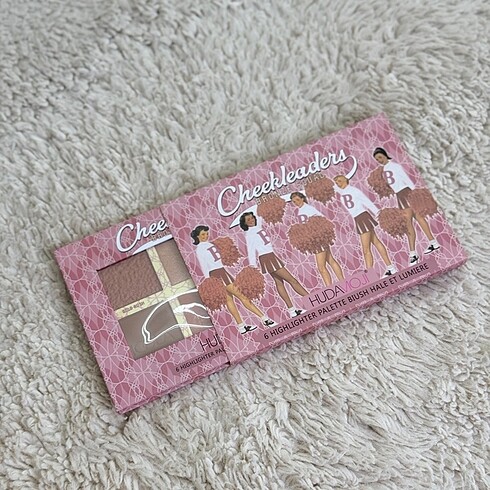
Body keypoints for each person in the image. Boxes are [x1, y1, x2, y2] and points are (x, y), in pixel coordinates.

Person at [191, 225, 276, 334]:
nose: (206, 236)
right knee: (241, 296)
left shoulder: (210, 244)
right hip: (216, 274)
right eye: (203, 234)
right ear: (197, 236)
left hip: (222, 272)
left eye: (207, 233)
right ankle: (264, 319)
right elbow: (204, 266)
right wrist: (210, 282)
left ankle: (241, 326)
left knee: (230, 300)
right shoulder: (200, 249)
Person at [373, 147, 440, 264]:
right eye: (377, 159)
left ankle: (414, 253)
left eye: (380, 157)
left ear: (385, 155)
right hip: (400, 196)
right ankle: (431, 243)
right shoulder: (384, 170)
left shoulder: (395, 166)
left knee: (411, 222)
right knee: (415, 220)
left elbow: (406, 179)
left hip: (406, 193)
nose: (379, 160)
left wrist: (415, 194)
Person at [239, 212, 308, 317]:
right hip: (267, 257)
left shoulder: (257, 228)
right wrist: (253, 266)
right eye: (248, 220)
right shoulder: (249, 234)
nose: (252, 220)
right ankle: (312, 299)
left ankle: (292, 310)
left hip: (270, 256)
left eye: (252, 218)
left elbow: (259, 217)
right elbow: (251, 250)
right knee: (292, 280)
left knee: (279, 282)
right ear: (245, 224)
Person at [333, 175, 397, 278]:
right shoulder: (343, 193)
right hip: (359, 219)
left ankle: (370, 275)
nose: (337, 183)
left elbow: (367, 202)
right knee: (376, 242)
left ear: (346, 180)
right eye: (336, 182)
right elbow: (335, 188)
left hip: (362, 217)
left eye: (339, 181)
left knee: (366, 249)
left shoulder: (354, 191)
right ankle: (390, 267)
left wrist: (379, 214)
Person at [290, 191, 344, 287]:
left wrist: (316, 234)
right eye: (294, 202)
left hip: (317, 240)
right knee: (330, 260)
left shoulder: (308, 209)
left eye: (297, 200)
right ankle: (342, 281)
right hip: (315, 240)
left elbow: (321, 220)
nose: (296, 203)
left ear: (302, 198)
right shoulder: (300, 211)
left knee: (321, 267)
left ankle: (330, 287)